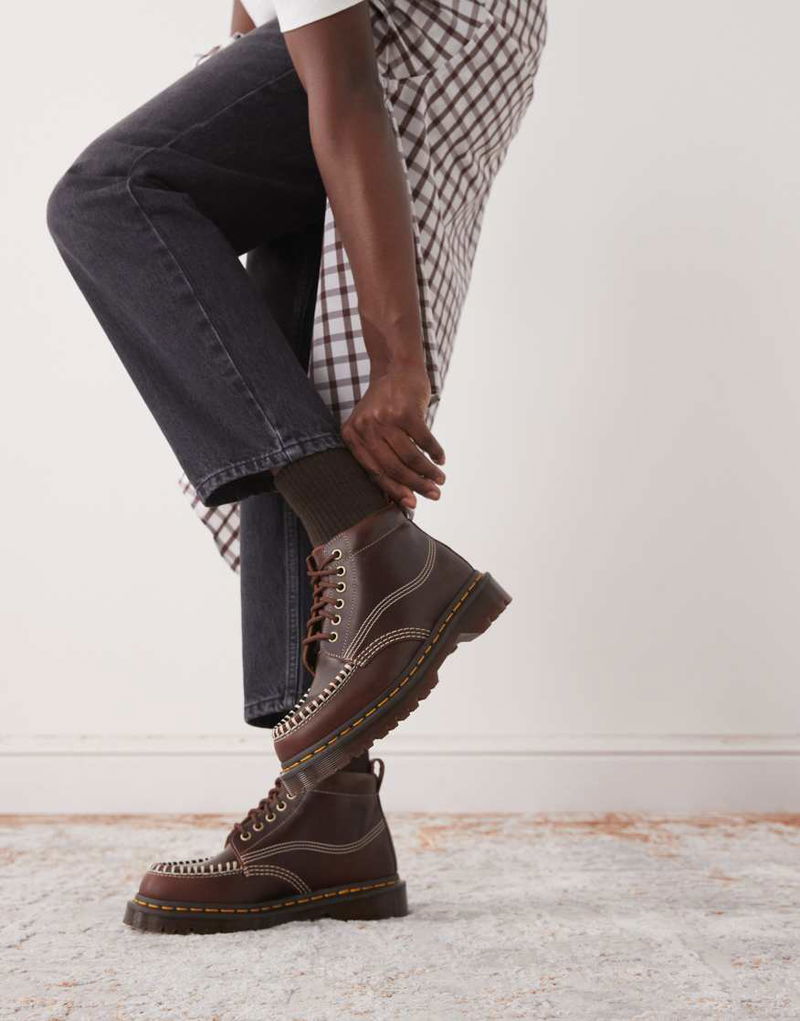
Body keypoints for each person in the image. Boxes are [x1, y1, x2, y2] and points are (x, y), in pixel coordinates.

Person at [47, 0, 546, 933]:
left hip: (413, 34)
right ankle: (329, 812)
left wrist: (401, 362)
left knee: (111, 193)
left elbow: (347, 89)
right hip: (442, 38)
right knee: (290, 359)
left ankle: (379, 553)